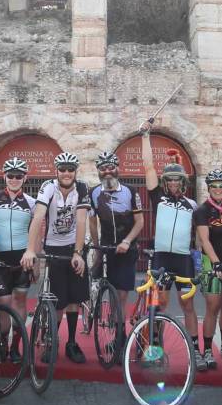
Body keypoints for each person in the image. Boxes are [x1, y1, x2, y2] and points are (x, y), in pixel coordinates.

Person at [138, 122, 205, 372]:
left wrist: (200, 260)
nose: (174, 183)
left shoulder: (192, 204)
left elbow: (199, 236)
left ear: (184, 182)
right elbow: (148, 166)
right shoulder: (158, 197)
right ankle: (154, 349)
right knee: (160, 305)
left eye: (178, 180)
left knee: (188, 306)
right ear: (165, 182)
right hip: (162, 258)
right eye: (170, 180)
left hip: (183, 259)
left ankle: (195, 350)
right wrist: (145, 136)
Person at [21, 152, 91, 364]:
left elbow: (81, 221)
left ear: (75, 171)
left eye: (71, 169)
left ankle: (72, 342)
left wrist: (78, 253)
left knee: (75, 299)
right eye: (62, 169)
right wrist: (30, 250)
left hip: (74, 246)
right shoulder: (48, 187)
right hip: (53, 247)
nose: (66, 173)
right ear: (56, 171)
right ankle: (52, 340)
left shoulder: (82, 188)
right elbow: (38, 217)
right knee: (58, 300)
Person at [0, 157, 36, 364]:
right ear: (4, 176)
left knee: (20, 301)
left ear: (25, 178)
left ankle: (16, 346)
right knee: (3, 303)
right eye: (10, 175)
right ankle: (3, 343)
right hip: (0, 260)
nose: (14, 179)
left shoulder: (31, 202)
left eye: (18, 176)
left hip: (23, 260)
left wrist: (36, 261)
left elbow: (37, 233)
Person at [88, 151, 144, 332]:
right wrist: (97, 247)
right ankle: (101, 313)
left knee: (121, 295)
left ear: (118, 168)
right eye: (103, 168)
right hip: (106, 248)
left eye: (111, 167)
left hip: (127, 249)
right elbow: (92, 222)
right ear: (98, 171)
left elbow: (140, 222)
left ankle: (120, 334)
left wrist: (127, 241)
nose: (107, 171)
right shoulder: (93, 192)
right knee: (109, 290)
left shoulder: (131, 191)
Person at [193, 168, 222, 370]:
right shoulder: (202, 211)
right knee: (212, 307)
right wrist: (215, 262)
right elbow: (204, 240)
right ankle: (207, 350)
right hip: (211, 262)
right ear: (208, 187)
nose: (218, 189)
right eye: (214, 186)